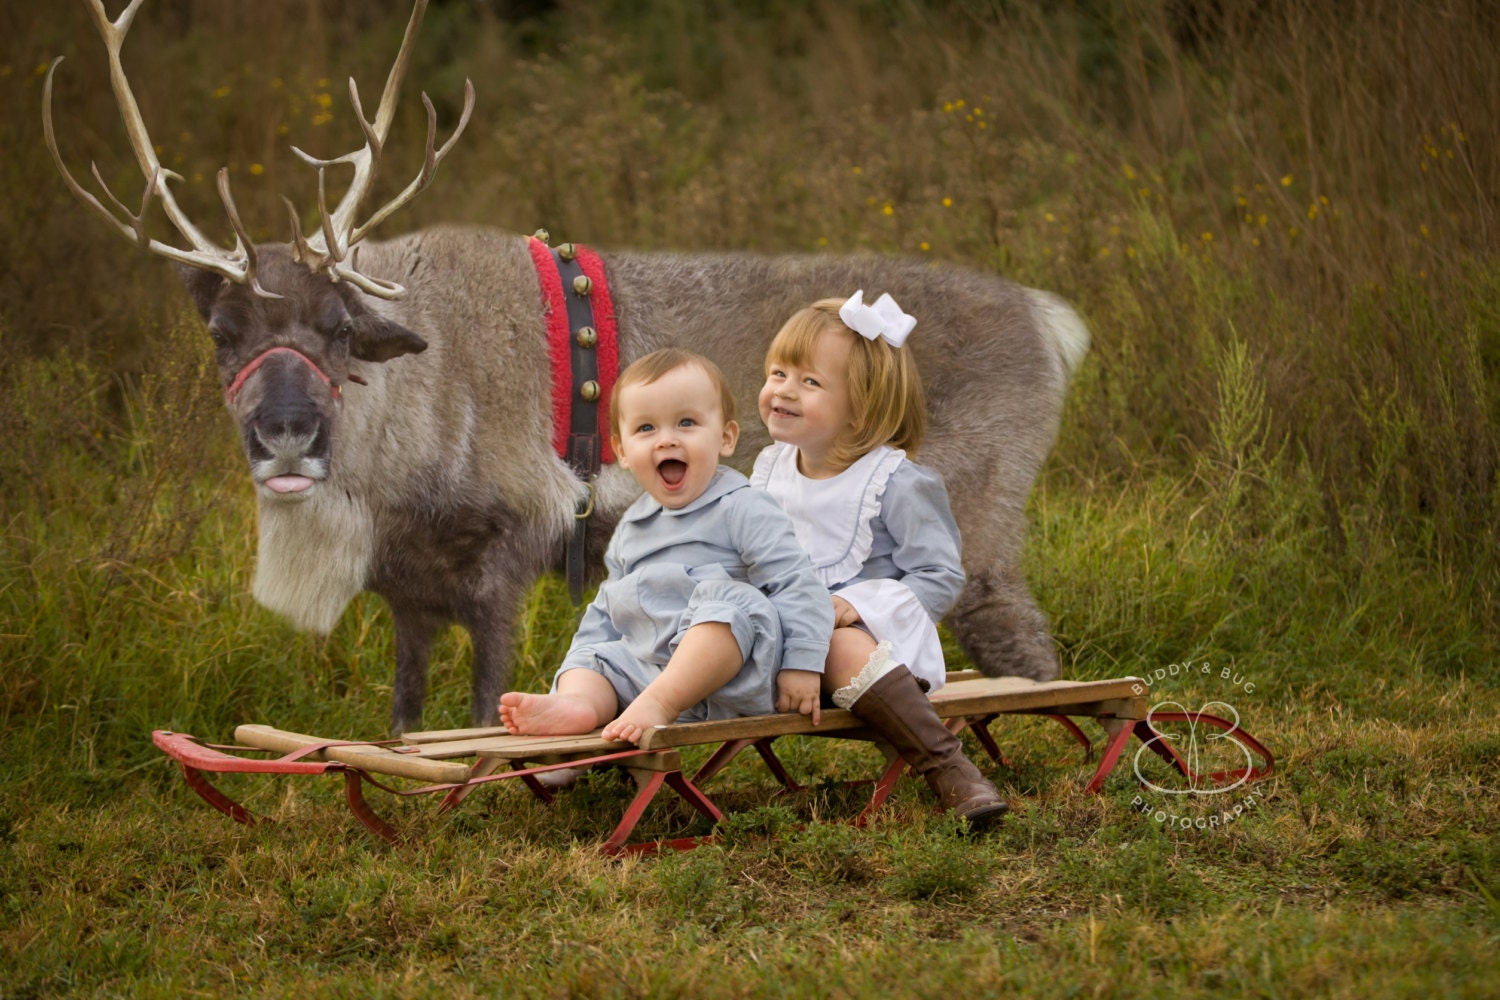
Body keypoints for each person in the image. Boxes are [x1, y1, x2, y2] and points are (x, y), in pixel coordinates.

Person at [751, 291, 1009, 827]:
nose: (783, 391)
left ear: (862, 407)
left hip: (875, 647)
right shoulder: (769, 468)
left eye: (810, 382)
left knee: (835, 638)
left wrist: (852, 604)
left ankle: (950, 770)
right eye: (778, 373)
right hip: (783, 634)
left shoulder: (894, 482)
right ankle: (614, 725)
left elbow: (940, 577)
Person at [500, 348, 832, 745]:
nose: (666, 440)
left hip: (730, 675)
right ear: (622, 453)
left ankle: (659, 702)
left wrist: (802, 663)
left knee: (731, 607)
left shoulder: (743, 506)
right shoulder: (632, 529)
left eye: (686, 423)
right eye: (646, 429)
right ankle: (578, 706)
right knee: (597, 654)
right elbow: (605, 612)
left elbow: (796, 583)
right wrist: (578, 669)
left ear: (725, 438)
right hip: (645, 673)